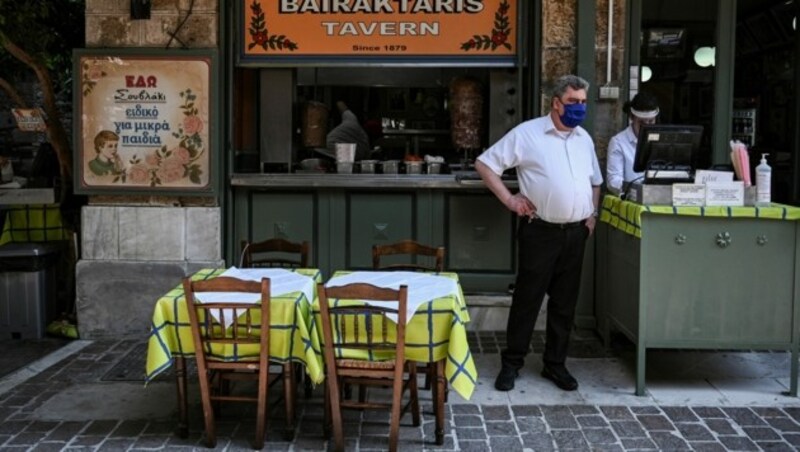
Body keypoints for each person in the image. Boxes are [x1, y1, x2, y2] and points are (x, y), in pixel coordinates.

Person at [475, 74, 602, 392]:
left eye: (583, 102)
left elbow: (596, 181)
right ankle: (511, 364)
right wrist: (510, 199)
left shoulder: (583, 138)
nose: (579, 108)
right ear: (556, 103)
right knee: (527, 300)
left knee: (564, 304)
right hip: (540, 232)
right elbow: (485, 164)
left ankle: (555, 365)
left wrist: (592, 215)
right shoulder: (527, 133)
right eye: (573, 102)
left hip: (576, 233)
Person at [605, 91, 660, 194]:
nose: (647, 126)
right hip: (632, 200)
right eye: (642, 122)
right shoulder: (618, 142)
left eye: (651, 121)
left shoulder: (661, 140)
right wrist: (636, 190)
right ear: (632, 118)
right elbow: (613, 181)